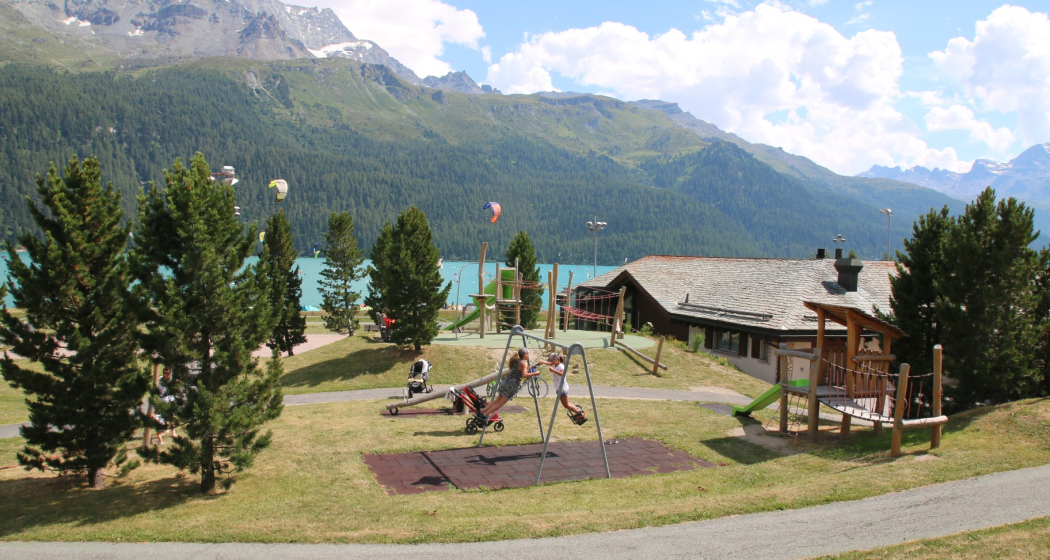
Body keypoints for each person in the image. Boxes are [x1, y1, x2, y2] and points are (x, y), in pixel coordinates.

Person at [476, 347, 537, 425]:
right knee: (500, 404)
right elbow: (524, 375)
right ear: (525, 355)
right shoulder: (524, 363)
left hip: (506, 381)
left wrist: (527, 369)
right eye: (528, 354)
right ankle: (484, 415)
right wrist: (535, 373)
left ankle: (481, 412)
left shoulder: (516, 361)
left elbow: (520, 370)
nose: (528, 355)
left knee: (496, 401)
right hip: (512, 384)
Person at [538, 353, 586, 424]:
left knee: (566, 405)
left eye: (552, 360)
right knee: (567, 404)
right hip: (560, 388)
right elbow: (550, 363)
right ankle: (579, 412)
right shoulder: (555, 364)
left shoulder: (560, 366)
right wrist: (543, 362)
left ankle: (580, 414)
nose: (551, 362)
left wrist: (553, 371)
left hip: (562, 388)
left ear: (556, 359)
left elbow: (562, 374)